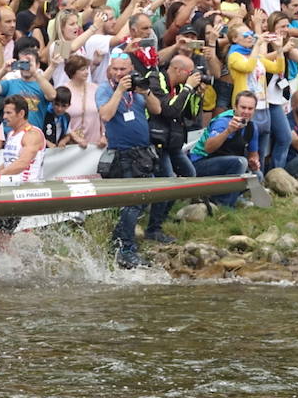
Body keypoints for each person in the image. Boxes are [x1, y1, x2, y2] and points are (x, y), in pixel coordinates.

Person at [96, 52, 162, 268]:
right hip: (122, 155)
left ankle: (117, 243)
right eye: (114, 69)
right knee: (132, 203)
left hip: (143, 153)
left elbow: (157, 109)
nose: (118, 73)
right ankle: (126, 249)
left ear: (131, 69)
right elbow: (105, 115)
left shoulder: (138, 87)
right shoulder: (105, 89)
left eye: (122, 70)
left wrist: (146, 91)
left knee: (142, 200)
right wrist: (120, 90)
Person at [0, 95, 46, 277]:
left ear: (21, 113)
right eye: (4, 112)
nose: (4, 116)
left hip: (23, 192)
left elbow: (22, 163)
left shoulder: (32, 134)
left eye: (8, 113)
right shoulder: (12, 134)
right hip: (9, 189)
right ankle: (20, 271)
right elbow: (8, 163)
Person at [146, 55, 205, 243]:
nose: (193, 76)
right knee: (168, 183)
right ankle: (153, 228)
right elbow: (168, 110)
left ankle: (161, 218)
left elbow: (191, 114)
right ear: (178, 70)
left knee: (189, 174)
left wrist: (196, 93)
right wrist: (188, 87)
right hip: (157, 142)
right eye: (190, 72)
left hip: (174, 142)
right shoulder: (156, 80)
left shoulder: (180, 87)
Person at [187, 90, 257, 207]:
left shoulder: (252, 126)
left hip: (224, 163)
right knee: (240, 163)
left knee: (257, 175)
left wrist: (254, 162)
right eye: (243, 107)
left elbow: (253, 154)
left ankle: (223, 198)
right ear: (235, 107)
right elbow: (208, 148)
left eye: (250, 109)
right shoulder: (223, 122)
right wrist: (228, 131)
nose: (246, 112)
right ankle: (223, 204)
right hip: (200, 163)